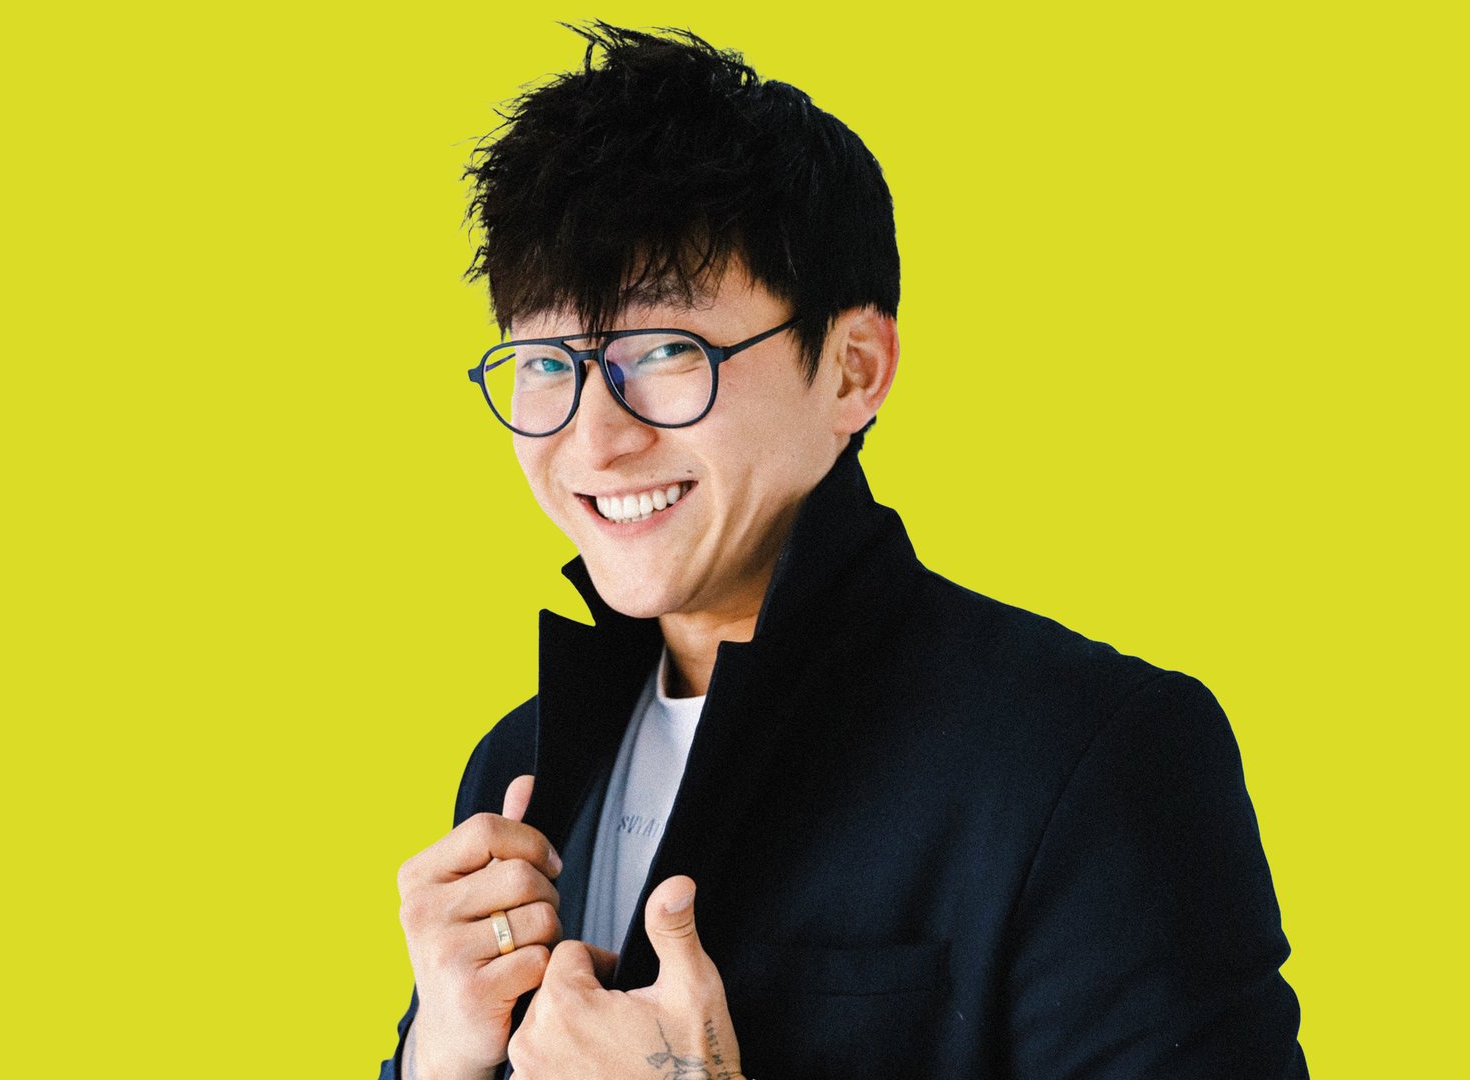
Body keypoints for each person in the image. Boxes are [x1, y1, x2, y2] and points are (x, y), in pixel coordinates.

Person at [385, 23, 1307, 1080]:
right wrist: (437, 1058)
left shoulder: (1090, 755)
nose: (594, 438)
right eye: (547, 362)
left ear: (853, 369)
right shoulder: (515, 768)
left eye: (666, 350)